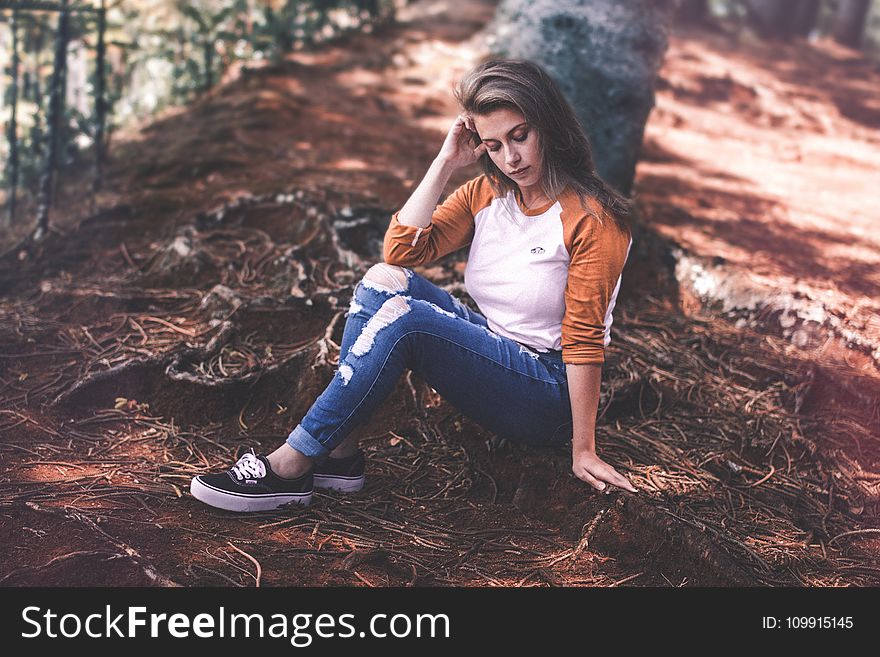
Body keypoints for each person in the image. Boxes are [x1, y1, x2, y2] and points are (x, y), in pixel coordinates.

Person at [190, 58, 637, 512]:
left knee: (409, 320)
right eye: (494, 145)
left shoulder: (593, 220)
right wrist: (446, 161)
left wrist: (583, 449)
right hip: (498, 348)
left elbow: (584, 340)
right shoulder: (487, 195)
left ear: (549, 123)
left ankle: (288, 465)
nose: (511, 158)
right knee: (383, 281)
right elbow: (401, 251)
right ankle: (340, 455)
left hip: (548, 388)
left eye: (521, 136)